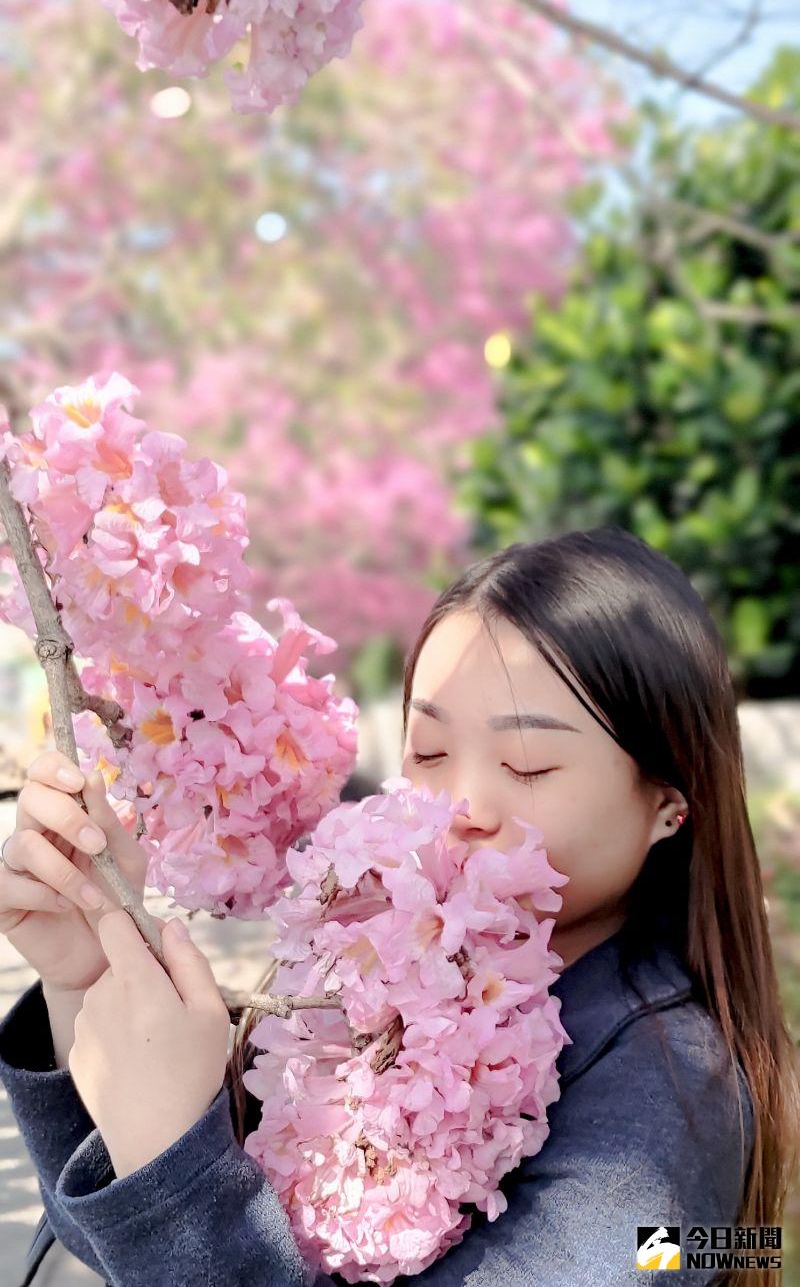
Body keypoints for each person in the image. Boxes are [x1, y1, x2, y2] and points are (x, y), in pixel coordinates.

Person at [1, 525, 798, 1287]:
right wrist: (91, 970)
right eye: (430, 750)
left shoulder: (674, 1094)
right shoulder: (378, 970)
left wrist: (172, 1157)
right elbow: (132, 1245)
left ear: (668, 800)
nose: (461, 802)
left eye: (528, 763)